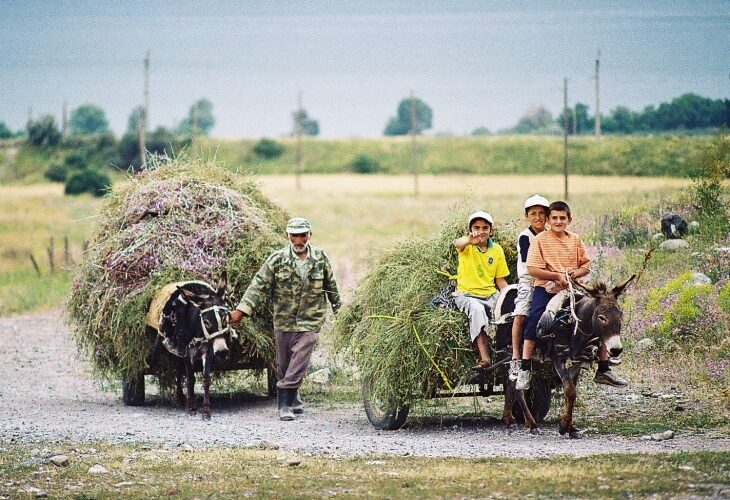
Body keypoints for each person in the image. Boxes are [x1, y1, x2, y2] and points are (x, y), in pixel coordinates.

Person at [229, 217, 341, 421]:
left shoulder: (320, 258)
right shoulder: (277, 259)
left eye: (303, 235)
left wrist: (340, 313)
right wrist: (241, 310)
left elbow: (331, 287)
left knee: (300, 358)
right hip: (284, 320)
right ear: (287, 236)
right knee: (284, 363)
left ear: (310, 235)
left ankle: (284, 403)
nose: (299, 241)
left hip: (311, 320)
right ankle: (294, 395)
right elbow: (258, 285)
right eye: (294, 236)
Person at [515, 201, 627, 390]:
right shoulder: (539, 240)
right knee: (534, 319)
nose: (558, 221)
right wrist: (556, 276)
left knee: (599, 315)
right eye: (554, 218)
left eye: (562, 218)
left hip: (574, 288)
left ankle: (604, 367)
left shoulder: (575, 239)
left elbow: (586, 265)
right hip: (546, 288)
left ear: (569, 220)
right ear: (548, 220)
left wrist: (573, 275)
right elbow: (533, 269)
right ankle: (524, 367)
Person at [453, 211, 510, 369]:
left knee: (506, 312)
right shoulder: (467, 247)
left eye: (485, 227)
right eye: (476, 227)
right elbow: (458, 244)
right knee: (477, 310)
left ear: (490, 230)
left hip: (490, 293)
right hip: (466, 294)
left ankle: (506, 353)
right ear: (470, 229)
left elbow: (500, 279)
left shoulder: (497, 250)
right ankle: (484, 357)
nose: (481, 231)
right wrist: (469, 240)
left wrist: (508, 297)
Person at [508, 194, 550, 382]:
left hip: (549, 279)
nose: (538, 217)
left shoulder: (551, 235)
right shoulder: (526, 237)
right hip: (530, 279)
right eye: (533, 213)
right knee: (521, 313)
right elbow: (530, 263)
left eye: (542, 213)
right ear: (527, 216)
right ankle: (516, 357)